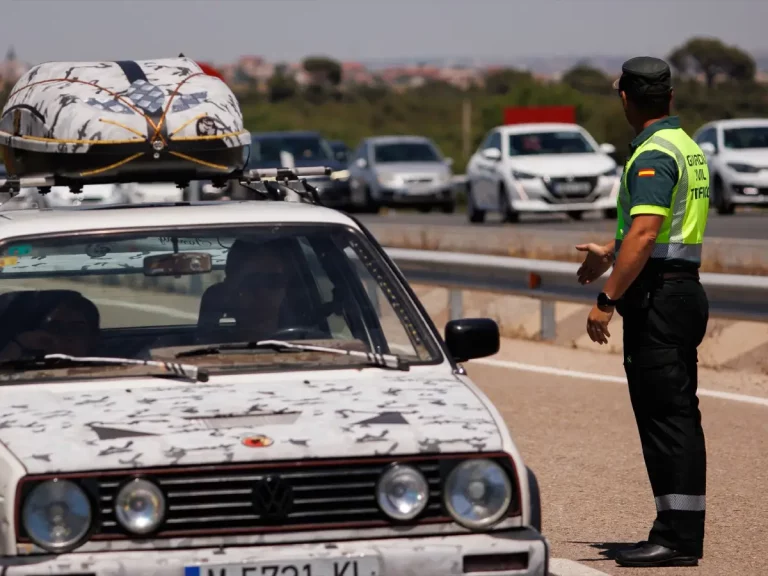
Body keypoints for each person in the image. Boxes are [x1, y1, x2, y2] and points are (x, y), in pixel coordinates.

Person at [575, 56, 710, 568]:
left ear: (627, 100)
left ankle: (675, 539)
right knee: (675, 416)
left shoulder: (652, 153)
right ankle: (676, 530)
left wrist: (607, 298)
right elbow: (663, 230)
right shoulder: (687, 146)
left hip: (659, 298)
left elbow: (648, 230)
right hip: (680, 290)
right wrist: (610, 253)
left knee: (667, 420)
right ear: (670, 98)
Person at [0, 291, 101, 360]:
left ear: (93, 338)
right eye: (55, 328)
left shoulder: (111, 373)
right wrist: (19, 344)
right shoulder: (25, 369)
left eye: (75, 329)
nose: (64, 335)